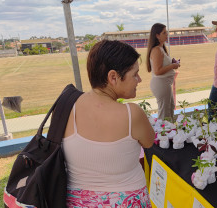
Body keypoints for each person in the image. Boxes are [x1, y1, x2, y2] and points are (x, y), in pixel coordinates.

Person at [63, 40, 154, 207]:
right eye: (135, 74)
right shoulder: (131, 114)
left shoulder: (67, 107)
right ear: (113, 77)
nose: (139, 80)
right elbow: (149, 141)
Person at [147, 23, 180, 121]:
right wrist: (173, 66)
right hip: (161, 84)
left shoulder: (161, 48)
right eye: (164, 33)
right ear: (157, 35)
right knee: (164, 113)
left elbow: (162, 66)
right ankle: (163, 134)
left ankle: (170, 132)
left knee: (169, 109)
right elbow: (157, 71)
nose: (167, 35)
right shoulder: (157, 50)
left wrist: (172, 63)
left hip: (165, 84)